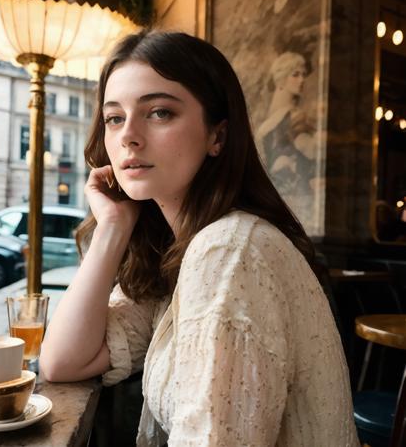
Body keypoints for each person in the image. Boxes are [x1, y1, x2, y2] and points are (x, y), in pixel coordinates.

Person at [40, 30, 358, 446]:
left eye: (158, 113)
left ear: (217, 137)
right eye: (114, 117)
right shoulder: (182, 253)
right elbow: (62, 361)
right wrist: (113, 226)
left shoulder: (227, 251)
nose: (127, 136)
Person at [256, 51, 316, 197]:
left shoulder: (293, 116)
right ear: (281, 79)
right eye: (295, 75)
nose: (301, 80)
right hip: (281, 193)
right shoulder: (290, 116)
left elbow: (310, 151)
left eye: (303, 75)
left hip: (293, 193)